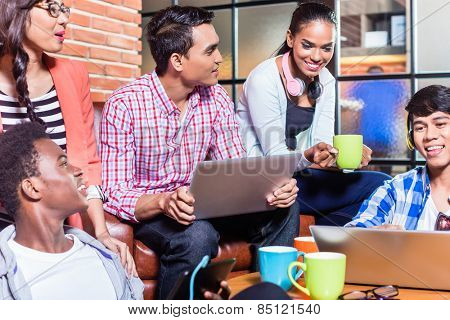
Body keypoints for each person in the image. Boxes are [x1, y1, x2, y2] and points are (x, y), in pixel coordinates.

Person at [100, 5, 333, 300]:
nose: (219, 59)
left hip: (204, 204)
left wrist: (272, 188)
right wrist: (163, 201)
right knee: (197, 234)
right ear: (177, 60)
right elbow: (115, 191)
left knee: (284, 207)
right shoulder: (125, 104)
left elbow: (235, 166)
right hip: (156, 212)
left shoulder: (216, 98)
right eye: (210, 51)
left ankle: (272, 298)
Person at [0, 0, 135, 274]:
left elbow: (87, 164)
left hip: (58, 228)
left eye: (65, 9)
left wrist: (100, 232)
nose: (63, 19)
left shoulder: (74, 75)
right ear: (16, 9)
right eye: (52, 8)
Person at [236, 1, 391, 226]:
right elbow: (275, 158)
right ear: (290, 39)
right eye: (307, 45)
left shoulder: (326, 81)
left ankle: (326, 240)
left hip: (300, 177)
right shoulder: (263, 79)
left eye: (326, 48)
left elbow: (321, 145)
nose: (317, 57)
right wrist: (309, 156)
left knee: (381, 184)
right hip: (262, 180)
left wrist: (343, 158)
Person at [0, 122, 144, 300]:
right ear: (32, 188)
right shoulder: (5, 277)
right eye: (63, 164)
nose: (78, 171)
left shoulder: (108, 261)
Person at [346, 85, 450, 231]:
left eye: (440, 124)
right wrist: (373, 236)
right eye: (420, 128)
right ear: (411, 138)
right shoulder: (395, 190)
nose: (429, 136)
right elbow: (351, 235)